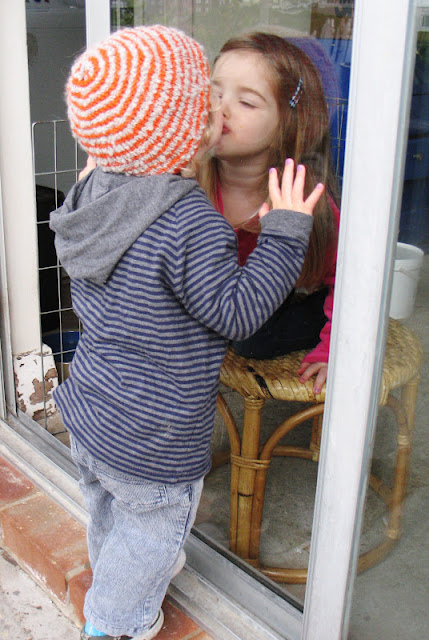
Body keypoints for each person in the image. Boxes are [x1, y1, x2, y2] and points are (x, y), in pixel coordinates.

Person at [49, 25, 323, 640]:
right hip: (152, 436)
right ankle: (116, 622)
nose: (216, 110)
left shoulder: (94, 189)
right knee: (151, 526)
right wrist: (284, 231)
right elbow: (239, 313)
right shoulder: (187, 219)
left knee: (110, 510)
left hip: (91, 409)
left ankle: (120, 578)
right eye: (206, 99)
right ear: (182, 128)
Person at [198, 32, 341, 394]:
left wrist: (333, 346)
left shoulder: (304, 201)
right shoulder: (188, 182)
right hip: (225, 293)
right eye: (215, 93)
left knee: (251, 340)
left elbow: (349, 281)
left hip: (276, 298)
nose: (221, 109)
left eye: (246, 102)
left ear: (289, 124)